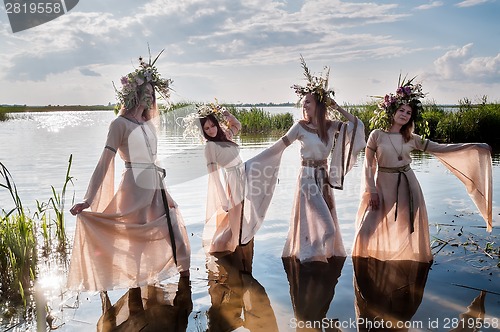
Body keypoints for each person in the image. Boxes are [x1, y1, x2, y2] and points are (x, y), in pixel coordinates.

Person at [67, 50, 191, 291]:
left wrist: (163, 187)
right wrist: (89, 199)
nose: (150, 96)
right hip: (133, 187)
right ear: (134, 92)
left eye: (153, 93)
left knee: (175, 233)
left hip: (155, 185)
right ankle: (135, 297)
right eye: (146, 90)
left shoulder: (149, 125)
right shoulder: (119, 124)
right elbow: (104, 162)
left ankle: (185, 289)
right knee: (135, 247)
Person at [352, 76, 492, 262]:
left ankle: (406, 264)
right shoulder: (376, 135)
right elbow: (368, 165)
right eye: (401, 110)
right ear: (392, 110)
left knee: (406, 229)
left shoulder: (412, 138)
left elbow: (441, 148)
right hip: (382, 187)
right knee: (365, 230)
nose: (404, 114)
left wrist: (475, 146)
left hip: (408, 188)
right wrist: (372, 191)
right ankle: (360, 264)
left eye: (409, 113)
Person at [272, 56, 366, 262]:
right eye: (303, 101)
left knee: (325, 221)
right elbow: (279, 146)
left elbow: (357, 125)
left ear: (319, 105)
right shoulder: (299, 127)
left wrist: (337, 106)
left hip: (323, 178)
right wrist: (256, 163)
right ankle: (312, 256)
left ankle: (317, 256)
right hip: (306, 178)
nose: (304, 105)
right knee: (327, 227)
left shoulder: (331, 126)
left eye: (308, 101)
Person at [183, 101, 279, 256]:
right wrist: (223, 200)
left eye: (213, 125)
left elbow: (237, 124)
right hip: (233, 180)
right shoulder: (210, 147)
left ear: (216, 124)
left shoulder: (226, 135)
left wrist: (226, 114)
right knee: (235, 219)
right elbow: (214, 175)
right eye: (206, 128)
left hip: (243, 175)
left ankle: (234, 247)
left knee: (240, 217)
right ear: (203, 131)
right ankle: (219, 248)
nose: (211, 130)